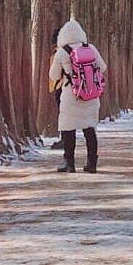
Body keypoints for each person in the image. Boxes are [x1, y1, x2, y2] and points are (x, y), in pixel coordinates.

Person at [48, 19, 108, 173]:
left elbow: (53, 75)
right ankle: (92, 163)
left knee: (69, 130)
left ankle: (69, 163)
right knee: (89, 130)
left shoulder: (62, 52)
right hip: (90, 94)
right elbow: (103, 67)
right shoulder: (91, 48)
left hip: (71, 95)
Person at [48, 27, 65, 150]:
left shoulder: (59, 53)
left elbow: (54, 74)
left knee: (63, 114)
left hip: (61, 86)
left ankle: (65, 140)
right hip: (68, 87)